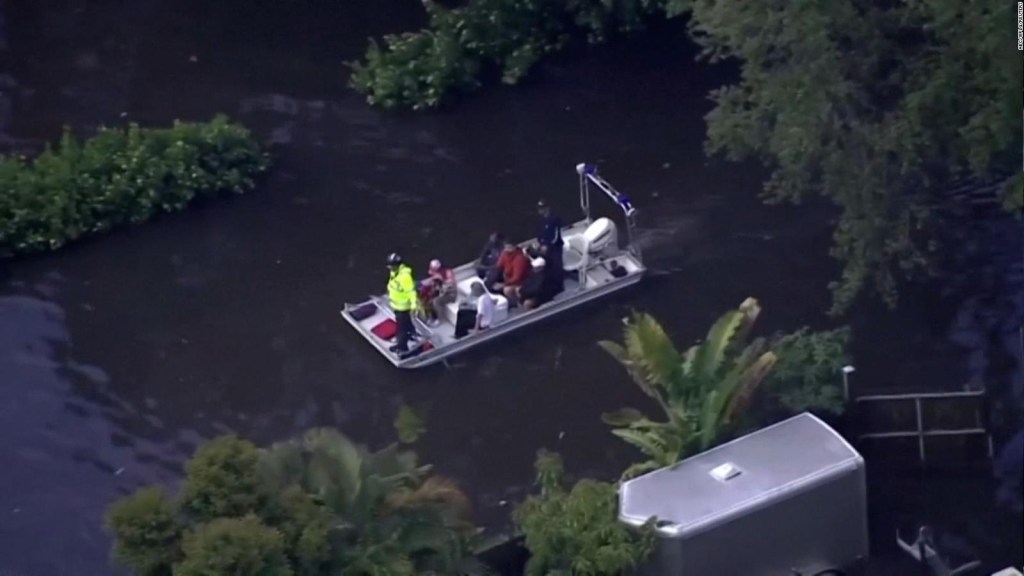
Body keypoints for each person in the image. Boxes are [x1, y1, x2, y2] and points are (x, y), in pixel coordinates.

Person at [385, 252, 419, 353]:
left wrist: (413, 306)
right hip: (396, 304)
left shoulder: (405, 277)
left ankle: (402, 347)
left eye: (391, 266)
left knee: (401, 328)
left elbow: (411, 292)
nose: (389, 268)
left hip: (403, 306)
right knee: (406, 322)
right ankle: (412, 332)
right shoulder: (394, 272)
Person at [488, 239, 531, 305]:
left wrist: (504, 284)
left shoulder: (520, 259)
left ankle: (518, 303)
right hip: (508, 278)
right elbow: (499, 265)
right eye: (506, 248)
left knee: (507, 290)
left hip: (522, 281)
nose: (507, 250)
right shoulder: (504, 253)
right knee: (492, 281)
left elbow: (517, 277)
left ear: (514, 247)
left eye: (509, 248)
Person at [418, 258, 456, 325]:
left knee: (436, 301)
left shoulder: (448, 272)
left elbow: (450, 285)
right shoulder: (435, 273)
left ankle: (439, 319)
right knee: (427, 299)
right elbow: (433, 281)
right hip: (440, 290)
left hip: (450, 294)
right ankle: (431, 316)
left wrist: (441, 286)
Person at [533, 199, 564, 277]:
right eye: (539, 208)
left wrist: (547, 245)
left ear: (547, 208)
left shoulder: (555, 219)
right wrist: (539, 243)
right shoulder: (541, 220)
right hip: (544, 246)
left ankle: (559, 281)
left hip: (555, 247)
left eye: (542, 208)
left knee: (556, 265)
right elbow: (540, 233)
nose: (540, 210)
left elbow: (556, 236)